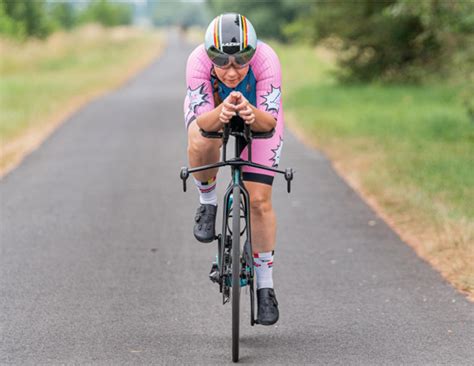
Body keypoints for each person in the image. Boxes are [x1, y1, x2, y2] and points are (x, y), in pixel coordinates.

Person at [183, 13, 284, 326]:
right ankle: (208, 202)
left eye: (241, 61)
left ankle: (265, 286)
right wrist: (222, 111)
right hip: (212, 115)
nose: (230, 71)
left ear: (252, 53)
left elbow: (270, 123)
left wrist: (250, 112)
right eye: (221, 61)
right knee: (201, 141)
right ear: (209, 55)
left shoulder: (267, 61)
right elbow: (202, 123)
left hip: (258, 116)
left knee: (258, 201)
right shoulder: (197, 61)